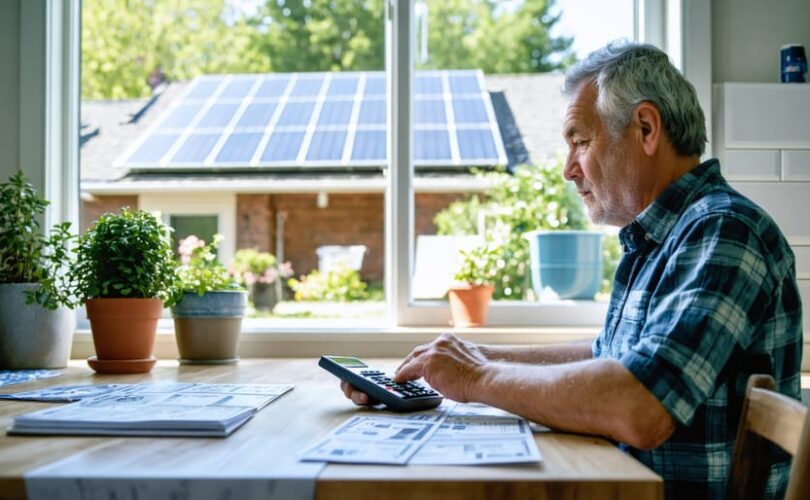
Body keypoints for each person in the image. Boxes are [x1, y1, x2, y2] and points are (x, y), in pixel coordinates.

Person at [340, 41, 803, 500]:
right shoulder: (670, 234)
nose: (568, 169)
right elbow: (608, 357)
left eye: (580, 141)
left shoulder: (723, 230)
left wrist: (475, 378)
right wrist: (473, 357)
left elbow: (638, 404)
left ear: (645, 127)